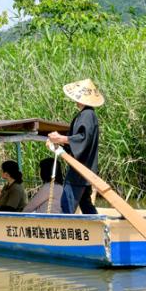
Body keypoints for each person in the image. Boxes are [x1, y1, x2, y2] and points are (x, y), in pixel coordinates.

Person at [46, 78, 103, 214]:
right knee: (85, 203)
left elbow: (83, 138)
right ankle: (99, 229)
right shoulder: (87, 115)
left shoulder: (87, 115)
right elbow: (79, 140)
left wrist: (61, 138)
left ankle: (67, 231)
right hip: (84, 170)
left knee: (67, 204)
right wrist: (61, 142)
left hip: (80, 170)